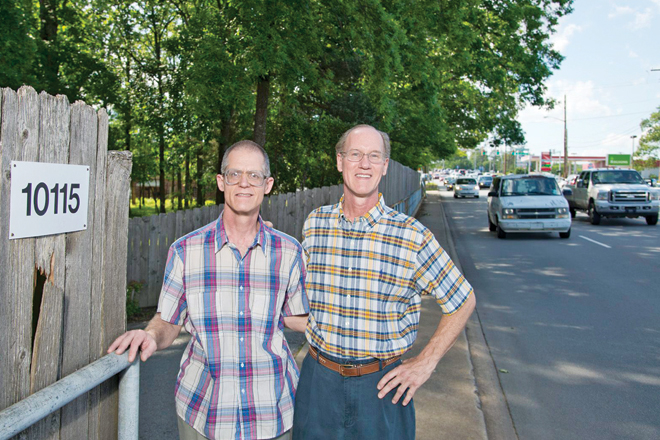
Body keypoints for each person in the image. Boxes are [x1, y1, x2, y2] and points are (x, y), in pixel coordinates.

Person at [108, 140, 309, 440]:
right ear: (220, 182)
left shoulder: (289, 252)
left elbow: (298, 317)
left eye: (254, 175)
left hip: (274, 412)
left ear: (267, 185)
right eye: (234, 174)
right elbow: (168, 321)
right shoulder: (185, 251)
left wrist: (353, 329)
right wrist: (148, 335)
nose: (244, 182)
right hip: (203, 412)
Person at [292, 125, 476, 440]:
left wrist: (425, 363)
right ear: (340, 161)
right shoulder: (315, 225)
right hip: (317, 383)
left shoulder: (411, 235)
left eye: (374, 156)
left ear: (385, 165)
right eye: (355, 154)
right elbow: (297, 299)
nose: (364, 163)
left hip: (381, 388)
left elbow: (463, 300)